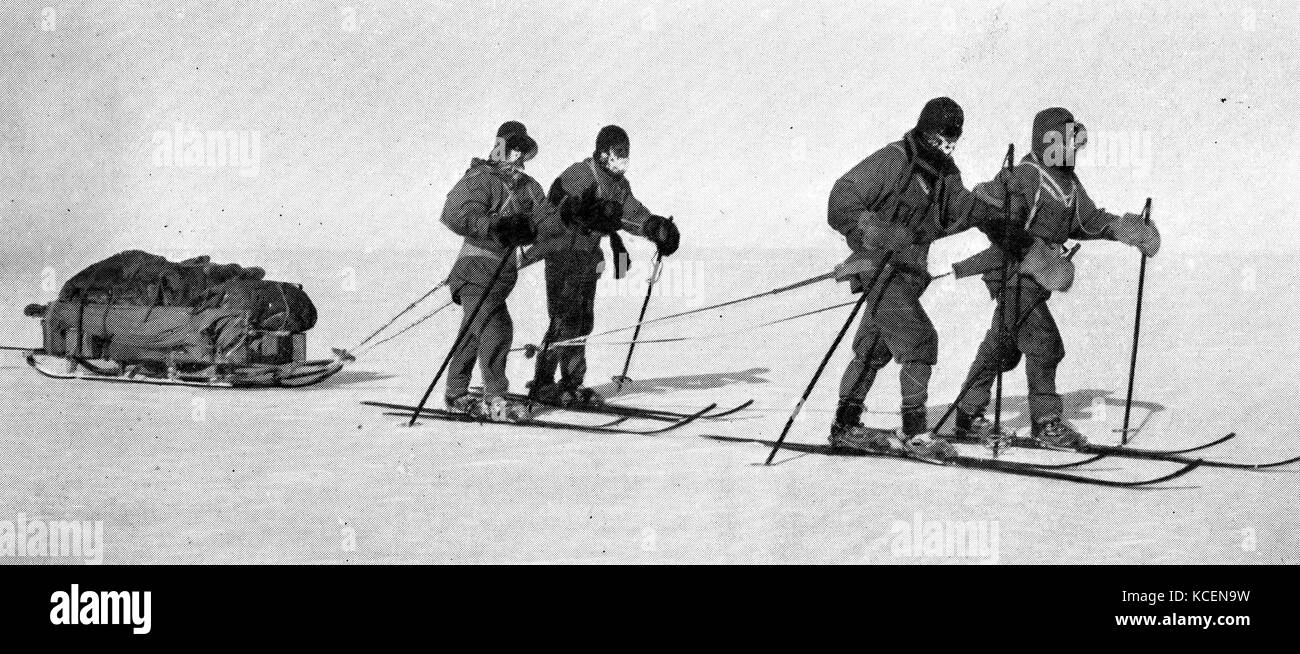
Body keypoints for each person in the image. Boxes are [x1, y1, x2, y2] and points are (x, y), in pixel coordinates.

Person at [949, 107, 1160, 449]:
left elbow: (1087, 221)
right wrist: (1025, 241)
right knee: (1045, 345)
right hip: (1015, 273)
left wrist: (1123, 229)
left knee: (1002, 349)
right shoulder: (1029, 175)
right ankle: (1046, 423)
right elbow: (991, 215)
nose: (1077, 149)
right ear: (1050, 141)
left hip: (1038, 277)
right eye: (1070, 141)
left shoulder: (1068, 183)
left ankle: (968, 414)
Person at [827, 97, 990, 459]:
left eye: (953, 136)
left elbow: (957, 211)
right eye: (940, 135)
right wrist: (876, 231)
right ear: (924, 128)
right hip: (878, 268)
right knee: (919, 341)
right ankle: (916, 432)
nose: (946, 143)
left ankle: (846, 424)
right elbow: (841, 199)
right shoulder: (893, 160)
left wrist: (992, 203)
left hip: (909, 274)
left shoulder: (945, 173)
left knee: (873, 348)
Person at [526, 125, 681, 406]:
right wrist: (580, 213)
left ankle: (572, 383)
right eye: (619, 152)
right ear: (603, 152)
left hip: (588, 257)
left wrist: (654, 227)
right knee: (564, 318)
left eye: (627, 152)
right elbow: (555, 207)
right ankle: (543, 383)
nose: (624, 158)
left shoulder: (619, 185)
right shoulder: (581, 173)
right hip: (563, 252)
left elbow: (630, 213)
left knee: (583, 319)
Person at [438, 121, 549, 421]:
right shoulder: (482, 179)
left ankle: (456, 392)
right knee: (496, 327)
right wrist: (497, 225)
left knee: (475, 332)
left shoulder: (528, 188)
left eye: (523, 151)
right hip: (474, 270)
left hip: (500, 276)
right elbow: (454, 213)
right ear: (500, 147)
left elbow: (549, 225)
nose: (518, 157)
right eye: (513, 149)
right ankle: (496, 397)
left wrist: (579, 218)